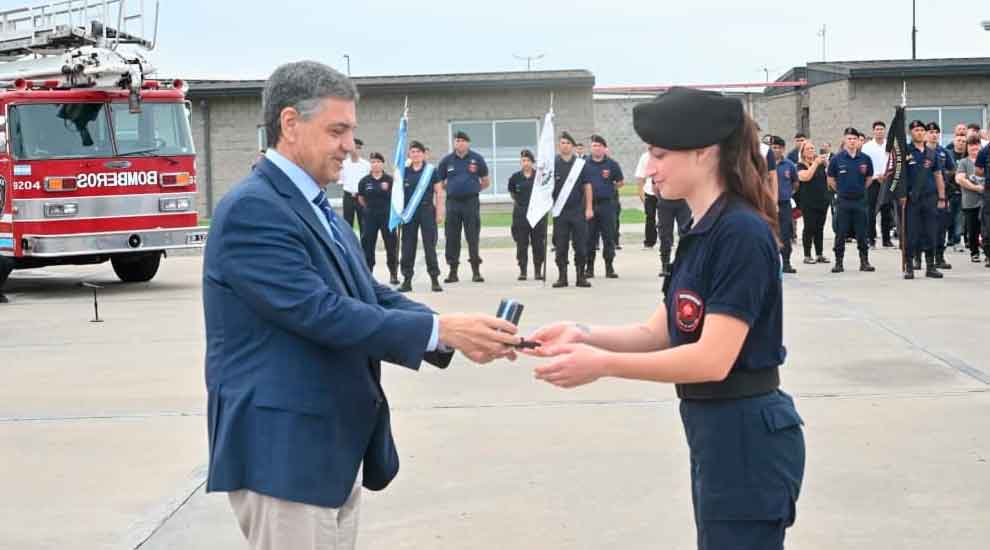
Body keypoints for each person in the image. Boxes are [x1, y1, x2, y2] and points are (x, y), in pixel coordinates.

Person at [202, 61, 520, 550]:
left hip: (327, 444)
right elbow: (320, 311)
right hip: (284, 451)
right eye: (337, 130)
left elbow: (367, 293)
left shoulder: (310, 203)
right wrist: (441, 332)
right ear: (290, 124)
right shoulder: (253, 208)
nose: (349, 144)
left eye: (350, 130)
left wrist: (448, 326)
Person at [525, 87, 805, 550]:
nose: (649, 168)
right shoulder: (704, 227)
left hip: (745, 434)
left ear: (704, 153)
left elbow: (711, 359)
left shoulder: (739, 232)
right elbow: (659, 331)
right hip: (716, 429)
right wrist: (583, 334)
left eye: (658, 154)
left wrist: (601, 365)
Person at [899, 120, 948, 279]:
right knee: (911, 233)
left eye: (921, 130)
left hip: (930, 198)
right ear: (910, 133)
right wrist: (901, 195)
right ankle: (909, 266)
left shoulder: (931, 153)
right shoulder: (905, 152)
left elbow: (938, 175)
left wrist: (942, 197)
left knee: (930, 232)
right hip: (911, 199)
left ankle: (931, 266)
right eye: (915, 130)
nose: (919, 132)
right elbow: (899, 176)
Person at [438, 131, 489, 283]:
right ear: (454, 143)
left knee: (472, 236)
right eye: (457, 140)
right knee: (452, 237)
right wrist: (453, 189)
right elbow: (440, 182)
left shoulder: (477, 159)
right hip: (453, 203)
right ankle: (453, 272)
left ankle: (476, 271)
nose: (459, 143)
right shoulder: (447, 160)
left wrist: (472, 189)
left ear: (468, 143)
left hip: (470, 203)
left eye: (462, 140)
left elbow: (486, 181)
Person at [826, 127, 876, 273]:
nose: (852, 141)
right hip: (843, 201)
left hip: (860, 201)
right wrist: (841, 190)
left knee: (862, 232)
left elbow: (869, 178)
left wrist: (860, 189)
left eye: (854, 139)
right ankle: (839, 262)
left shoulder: (865, 159)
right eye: (849, 138)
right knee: (841, 233)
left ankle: (864, 261)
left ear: (858, 141)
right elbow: (830, 179)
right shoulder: (837, 159)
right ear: (844, 140)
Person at [398, 140, 444, 293]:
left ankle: (434, 279)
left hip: (427, 212)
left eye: (419, 151)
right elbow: (397, 195)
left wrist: (439, 213)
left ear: (424, 154)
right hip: (409, 214)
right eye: (413, 152)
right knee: (408, 247)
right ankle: (407, 280)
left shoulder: (431, 171)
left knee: (429, 246)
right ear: (409, 154)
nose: (416, 154)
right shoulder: (404, 171)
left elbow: (439, 192)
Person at [551, 132, 593, 288]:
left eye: (568, 143)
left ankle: (581, 276)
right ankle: (562, 277)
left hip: (578, 210)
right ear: (558, 145)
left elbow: (587, 186)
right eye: (562, 143)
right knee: (561, 246)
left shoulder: (581, 164)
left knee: (581, 245)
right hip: (559, 212)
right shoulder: (553, 163)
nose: (565, 145)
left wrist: (589, 208)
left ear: (573, 146)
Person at [583, 135, 624, 279]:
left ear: (604, 148)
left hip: (607, 205)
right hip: (589, 205)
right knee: (589, 237)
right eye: (594, 145)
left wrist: (608, 188)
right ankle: (589, 268)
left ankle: (609, 267)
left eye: (599, 146)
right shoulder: (583, 163)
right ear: (591, 147)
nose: (596, 148)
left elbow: (620, 182)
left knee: (609, 237)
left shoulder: (612, 164)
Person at [356, 152, 399, 284]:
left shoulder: (390, 180)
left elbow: (396, 198)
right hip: (370, 217)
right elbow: (361, 198)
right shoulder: (364, 181)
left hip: (387, 217)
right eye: (373, 162)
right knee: (368, 246)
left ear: (382, 163)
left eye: (378, 162)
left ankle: (393, 273)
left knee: (391, 245)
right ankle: (368, 275)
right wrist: (370, 209)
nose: (375, 164)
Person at [508, 149, 547, 280]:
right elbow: (513, 194)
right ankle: (523, 270)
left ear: (532, 162)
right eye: (523, 160)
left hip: (537, 214)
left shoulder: (540, 176)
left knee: (538, 243)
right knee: (521, 244)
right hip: (521, 214)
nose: (525, 163)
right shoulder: (515, 177)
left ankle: (537, 271)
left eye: (528, 161)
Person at [926, 122, 956, 270]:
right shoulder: (920, 152)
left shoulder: (944, 152)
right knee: (923, 228)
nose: (934, 135)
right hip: (924, 195)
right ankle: (920, 259)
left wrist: (943, 180)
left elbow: (951, 170)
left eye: (936, 132)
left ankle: (939, 256)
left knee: (940, 228)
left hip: (941, 195)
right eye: (930, 132)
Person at [861, 121, 895, 248]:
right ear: (873, 131)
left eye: (882, 129)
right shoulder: (867, 146)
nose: (879, 131)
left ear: (884, 131)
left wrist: (887, 175)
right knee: (871, 211)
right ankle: (871, 238)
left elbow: (893, 162)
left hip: (887, 181)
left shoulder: (890, 145)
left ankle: (886, 239)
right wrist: (876, 176)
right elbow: (865, 165)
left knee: (886, 211)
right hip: (873, 181)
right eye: (877, 129)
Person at [796, 141, 831, 264]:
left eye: (812, 148)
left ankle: (819, 254)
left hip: (822, 200)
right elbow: (805, 177)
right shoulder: (800, 165)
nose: (811, 150)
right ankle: (807, 255)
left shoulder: (820, 164)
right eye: (808, 149)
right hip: (808, 201)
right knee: (809, 227)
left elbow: (829, 177)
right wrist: (815, 163)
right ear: (803, 152)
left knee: (819, 228)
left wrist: (827, 164)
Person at [955, 135, 985, 264]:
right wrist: (976, 188)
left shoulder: (985, 160)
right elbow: (960, 179)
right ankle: (974, 252)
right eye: (971, 146)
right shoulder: (964, 162)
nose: (974, 148)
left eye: (977, 145)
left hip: (985, 200)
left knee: (986, 228)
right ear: (967, 148)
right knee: (973, 229)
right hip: (970, 201)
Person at [771, 136, 799, 273]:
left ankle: (786, 262)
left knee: (785, 234)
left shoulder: (789, 165)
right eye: (773, 147)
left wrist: (788, 193)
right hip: (767, 205)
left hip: (784, 204)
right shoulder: (762, 164)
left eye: (777, 147)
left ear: (783, 149)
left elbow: (795, 183)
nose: (775, 150)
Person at [339, 138, 369, 232]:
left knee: (363, 223)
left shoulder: (366, 165)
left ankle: (364, 246)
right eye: (354, 148)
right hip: (348, 197)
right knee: (347, 225)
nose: (355, 150)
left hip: (361, 197)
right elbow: (341, 181)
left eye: (358, 148)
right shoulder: (343, 164)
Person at [636, 147, 660, 249]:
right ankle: (649, 242)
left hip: (663, 191)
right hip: (649, 192)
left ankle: (667, 240)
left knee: (665, 218)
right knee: (650, 217)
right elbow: (640, 177)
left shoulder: (666, 154)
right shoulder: (645, 157)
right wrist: (640, 193)